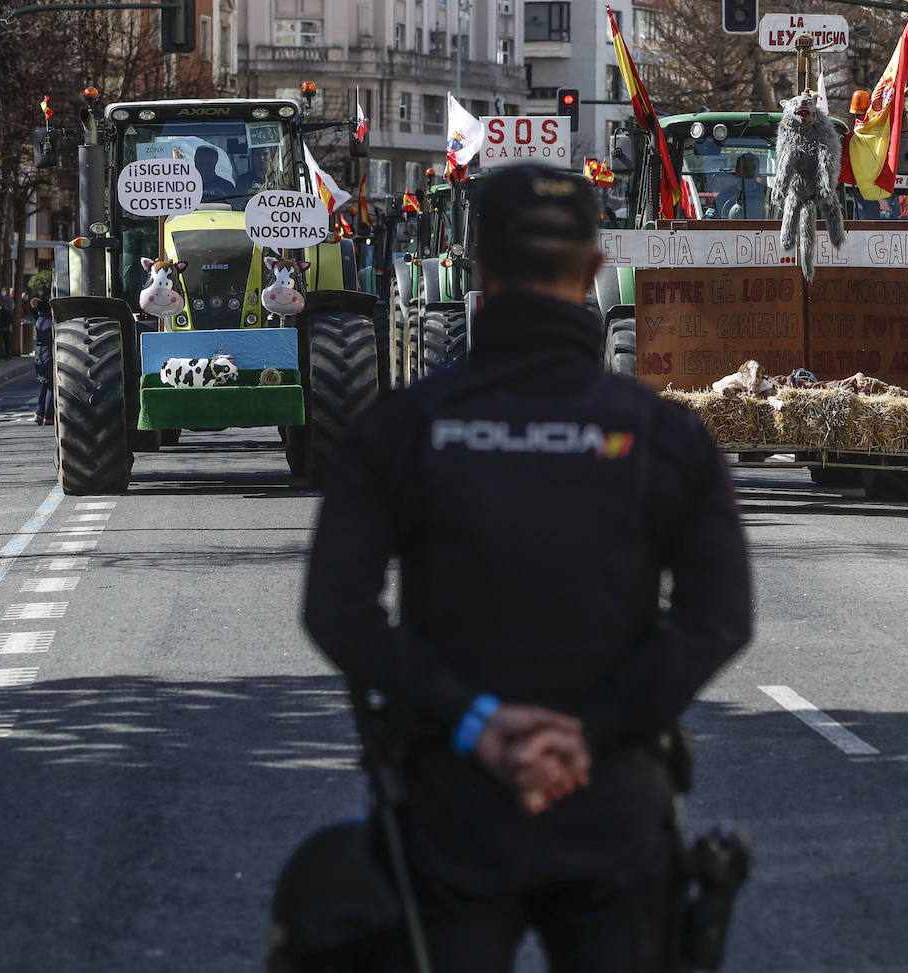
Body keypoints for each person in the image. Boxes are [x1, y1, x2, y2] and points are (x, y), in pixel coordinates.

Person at [302, 165, 753, 972]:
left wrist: (479, 722)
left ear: (477, 267)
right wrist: (591, 731)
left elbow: (338, 610)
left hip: (453, 810)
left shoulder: (402, 426)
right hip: (612, 807)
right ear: (591, 271)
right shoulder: (665, 435)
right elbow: (718, 617)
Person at [31, 297, 55, 425]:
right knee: (51, 385)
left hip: (38, 356)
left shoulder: (38, 319)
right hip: (48, 356)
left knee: (44, 385)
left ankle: (39, 413)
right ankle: (48, 416)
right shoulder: (50, 322)